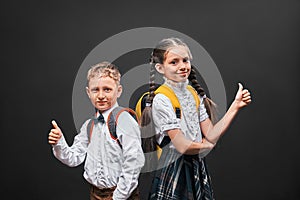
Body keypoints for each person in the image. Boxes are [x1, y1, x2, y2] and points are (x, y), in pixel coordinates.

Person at [139, 38, 251, 200]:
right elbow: (182, 146)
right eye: (174, 62)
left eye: (185, 60)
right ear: (160, 68)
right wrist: (206, 145)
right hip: (174, 165)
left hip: (195, 163)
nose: (182, 66)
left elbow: (211, 134)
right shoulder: (162, 99)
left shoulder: (193, 94)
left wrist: (235, 106)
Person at [48, 61, 145, 200]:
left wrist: (118, 196)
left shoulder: (123, 120)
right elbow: (74, 158)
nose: (100, 95)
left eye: (107, 89)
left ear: (118, 91)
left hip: (121, 195)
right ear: (88, 92)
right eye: (95, 90)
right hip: (95, 194)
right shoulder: (89, 126)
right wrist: (59, 143)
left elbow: (134, 161)